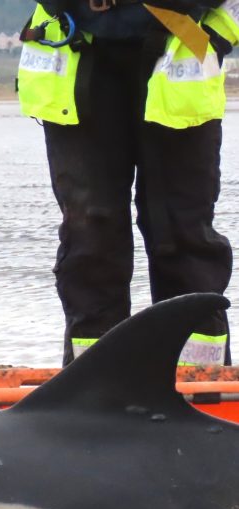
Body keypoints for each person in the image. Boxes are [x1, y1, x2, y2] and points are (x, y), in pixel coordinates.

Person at [17, 1, 238, 365]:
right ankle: (92, 391)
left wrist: (216, 35)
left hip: (180, 52)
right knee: (91, 235)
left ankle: (201, 386)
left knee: (181, 232)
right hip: (79, 54)